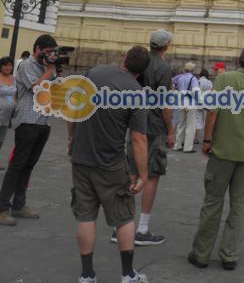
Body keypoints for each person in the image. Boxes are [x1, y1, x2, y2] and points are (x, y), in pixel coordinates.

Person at [188, 45, 244, 271]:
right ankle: (229, 255)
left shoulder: (224, 80)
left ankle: (201, 254)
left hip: (222, 152)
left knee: (212, 203)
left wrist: (207, 141)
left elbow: (213, 112)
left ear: (239, 60)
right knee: (239, 206)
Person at [69, 46, 151, 283]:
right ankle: (127, 274)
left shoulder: (93, 73)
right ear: (142, 71)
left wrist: (71, 137)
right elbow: (138, 138)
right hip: (112, 163)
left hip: (82, 158)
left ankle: (87, 275)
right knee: (124, 217)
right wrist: (143, 174)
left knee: (85, 216)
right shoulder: (136, 92)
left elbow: (72, 106)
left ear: (124, 58)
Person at [0, 34, 58, 226]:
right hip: (27, 121)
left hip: (44, 122)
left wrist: (53, 71)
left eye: (53, 54)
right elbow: (36, 88)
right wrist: (49, 70)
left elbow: (54, 90)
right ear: (38, 48)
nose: (50, 56)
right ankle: (2, 208)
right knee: (17, 165)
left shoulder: (47, 68)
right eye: (48, 52)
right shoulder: (26, 65)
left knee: (28, 165)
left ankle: (19, 204)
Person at [128, 29, 174, 246]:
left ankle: (122, 225)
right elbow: (165, 105)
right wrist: (171, 130)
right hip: (154, 128)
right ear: (166, 46)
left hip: (135, 123)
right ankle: (142, 228)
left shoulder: (139, 62)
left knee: (132, 173)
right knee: (152, 175)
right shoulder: (163, 68)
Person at [173, 62, 199, 153]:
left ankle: (177, 145)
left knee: (180, 125)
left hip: (180, 102)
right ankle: (187, 147)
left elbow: (175, 88)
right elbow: (195, 91)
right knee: (190, 126)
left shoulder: (180, 78)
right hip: (190, 103)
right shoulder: (193, 78)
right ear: (192, 70)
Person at [0, 57, 16, 170]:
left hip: (6, 115)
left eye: (10, 65)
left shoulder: (13, 78)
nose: (7, 67)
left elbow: (15, 95)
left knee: (1, 139)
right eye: (5, 65)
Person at [194, 68, 212, 145]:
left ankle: (196, 138)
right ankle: (206, 138)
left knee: (198, 121)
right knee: (206, 121)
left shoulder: (197, 81)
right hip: (207, 103)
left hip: (198, 103)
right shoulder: (210, 82)